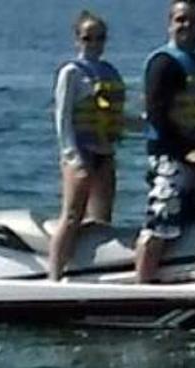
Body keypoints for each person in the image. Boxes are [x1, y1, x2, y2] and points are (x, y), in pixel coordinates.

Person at [134, 0, 195, 284]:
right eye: (180, 20)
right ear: (170, 23)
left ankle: (176, 277)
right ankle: (141, 287)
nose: (187, 26)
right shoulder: (163, 63)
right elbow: (158, 118)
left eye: (193, 20)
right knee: (160, 223)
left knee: (188, 221)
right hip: (169, 159)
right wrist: (186, 153)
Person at [47, 10, 125, 281]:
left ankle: (91, 272)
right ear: (78, 39)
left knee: (101, 221)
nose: (94, 43)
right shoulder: (71, 73)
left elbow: (117, 116)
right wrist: (72, 157)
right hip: (80, 154)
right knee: (71, 217)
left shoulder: (109, 72)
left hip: (104, 154)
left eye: (99, 38)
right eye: (87, 38)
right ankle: (54, 276)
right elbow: (62, 118)